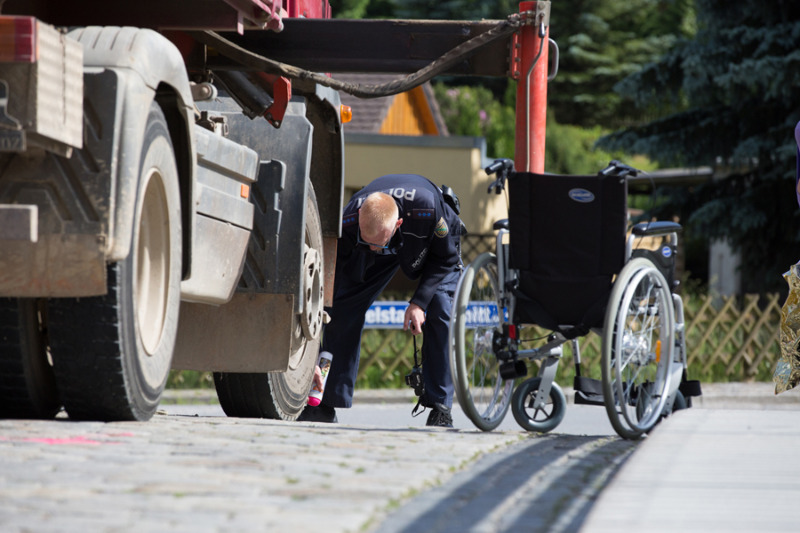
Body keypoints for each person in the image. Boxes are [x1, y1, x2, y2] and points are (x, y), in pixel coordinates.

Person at [298, 174, 464, 427]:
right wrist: (314, 353)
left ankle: (441, 406)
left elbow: (446, 260)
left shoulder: (427, 209)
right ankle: (325, 403)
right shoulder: (350, 221)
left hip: (434, 246)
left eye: (376, 243)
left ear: (397, 224)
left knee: (439, 307)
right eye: (367, 241)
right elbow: (331, 285)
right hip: (384, 240)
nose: (373, 248)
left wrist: (419, 303)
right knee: (342, 310)